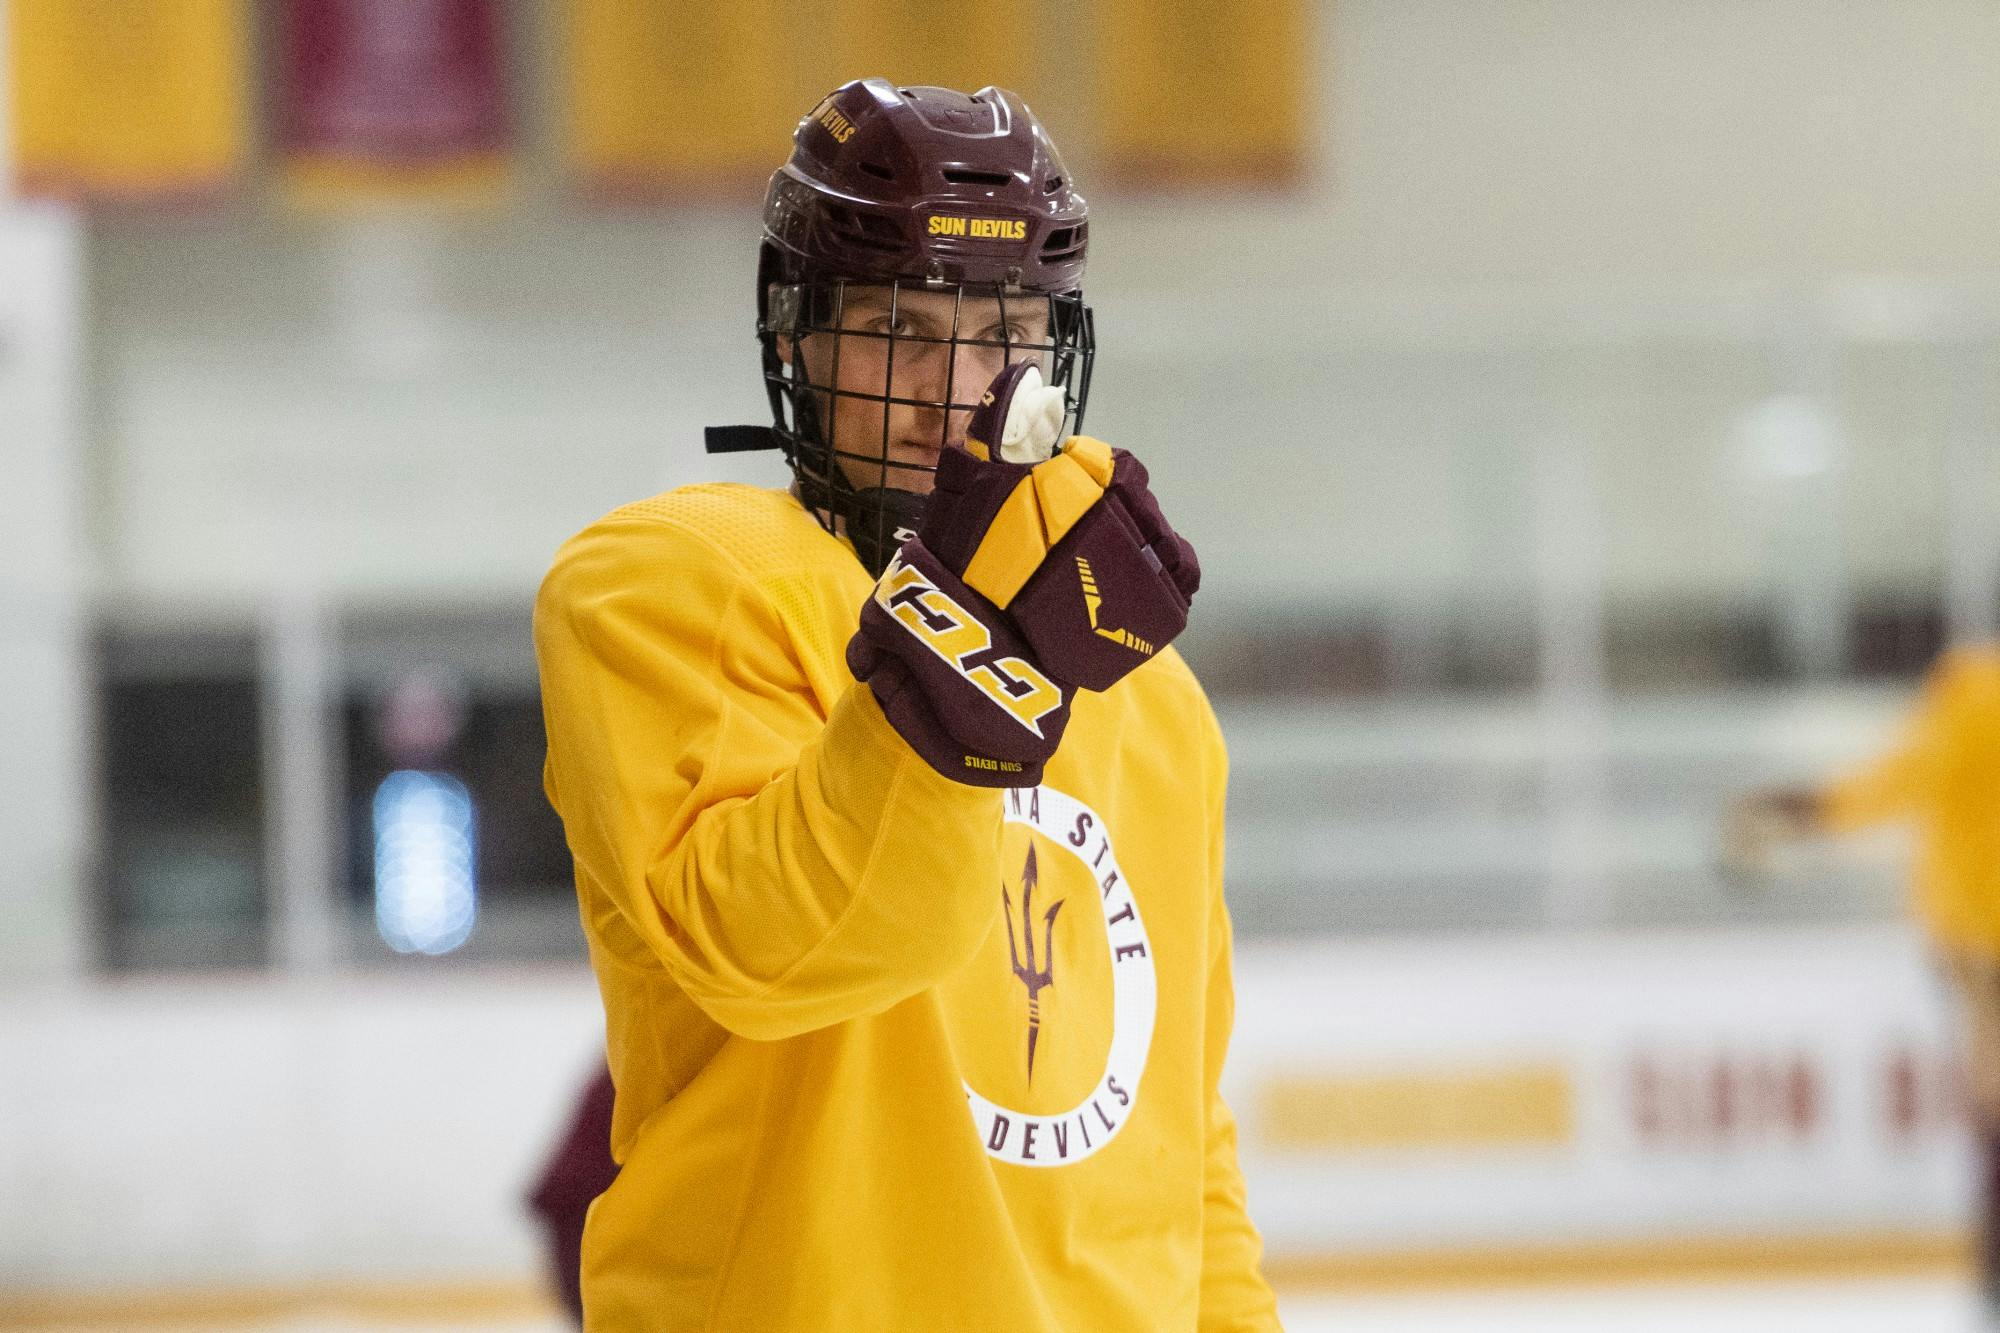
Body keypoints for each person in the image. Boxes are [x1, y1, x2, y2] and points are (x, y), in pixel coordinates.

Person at [533, 78, 1279, 1330]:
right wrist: (973, 680)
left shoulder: (1149, 696)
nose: (955, 390)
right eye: (898, 329)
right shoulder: (680, 584)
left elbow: (1177, 1137)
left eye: (1000, 337)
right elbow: (775, 957)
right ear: (794, 338)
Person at [1729, 644, 2000, 1321]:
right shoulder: (1976, 694)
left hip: (1973, 926)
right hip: (1977, 930)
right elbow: (1914, 775)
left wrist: (1816, 808)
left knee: (1993, 1092)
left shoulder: (1975, 693)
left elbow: (1906, 776)